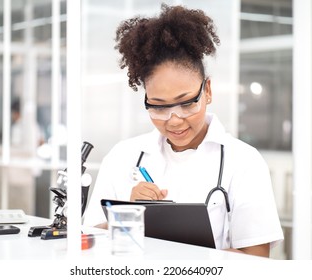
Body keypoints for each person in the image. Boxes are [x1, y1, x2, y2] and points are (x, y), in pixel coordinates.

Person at [84, 4, 284, 257]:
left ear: (207, 91)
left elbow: (256, 257)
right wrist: (127, 217)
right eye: (158, 107)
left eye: (187, 103)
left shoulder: (243, 161)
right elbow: (89, 241)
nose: (174, 120)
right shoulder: (122, 156)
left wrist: (182, 258)